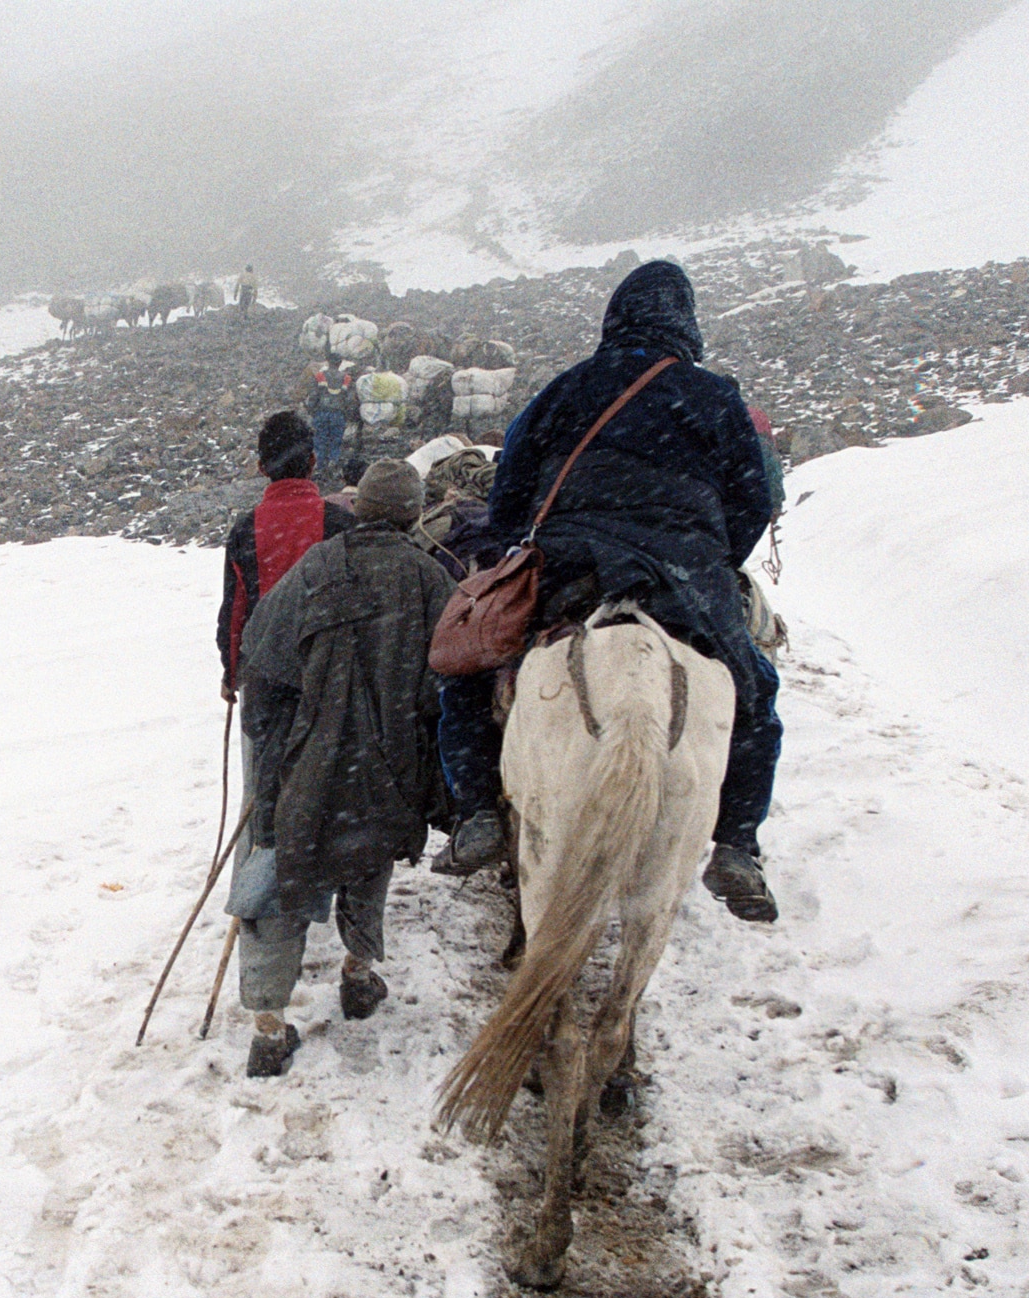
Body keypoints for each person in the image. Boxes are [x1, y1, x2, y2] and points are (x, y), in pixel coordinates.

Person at [431, 260, 783, 923]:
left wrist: (527, 533)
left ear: (614, 318)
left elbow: (509, 493)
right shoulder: (715, 397)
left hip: (573, 564)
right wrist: (707, 555)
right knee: (757, 694)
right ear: (687, 322)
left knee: (468, 674)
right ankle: (736, 842)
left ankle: (477, 811)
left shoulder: (567, 389)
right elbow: (752, 499)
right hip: (686, 577)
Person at [227, 461, 458, 1077]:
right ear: (413, 515)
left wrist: (275, 752)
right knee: (368, 855)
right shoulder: (432, 577)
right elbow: (446, 687)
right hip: (386, 761)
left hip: (310, 758)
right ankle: (358, 976)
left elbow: (263, 659)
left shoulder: (317, 567)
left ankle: (269, 1031)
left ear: (360, 510)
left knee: (278, 870)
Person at [218, 411, 356, 701]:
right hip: (330, 674)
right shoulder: (342, 523)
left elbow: (234, 613)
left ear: (261, 468)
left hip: (265, 675)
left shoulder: (245, 529)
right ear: (313, 461)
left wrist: (231, 675)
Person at [304, 354, 354, 483]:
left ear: (328, 362)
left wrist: (311, 409)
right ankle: (334, 462)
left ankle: (321, 466)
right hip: (338, 414)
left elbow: (314, 395)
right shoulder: (346, 378)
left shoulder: (320, 376)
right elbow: (349, 399)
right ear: (340, 363)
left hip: (322, 413)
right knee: (336, 440)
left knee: (320, 440)